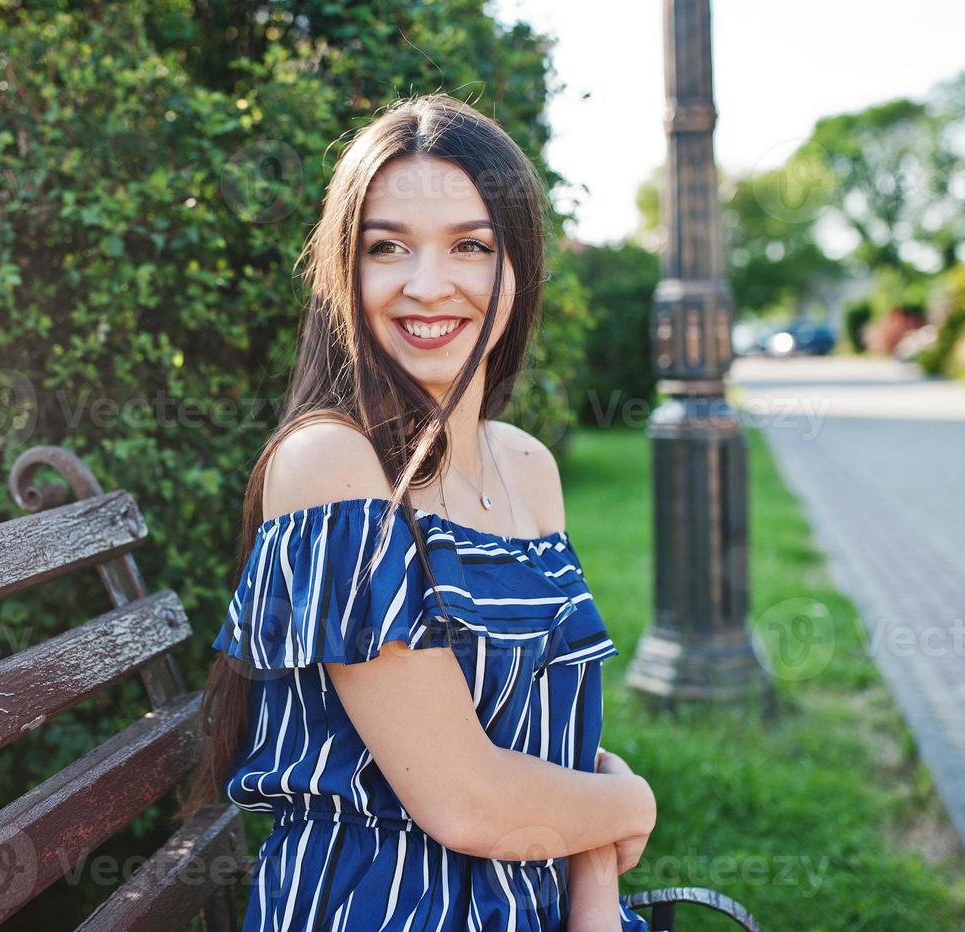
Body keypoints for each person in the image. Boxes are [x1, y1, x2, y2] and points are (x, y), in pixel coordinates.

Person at [182, 93, 655, 931]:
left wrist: (593, 888)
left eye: (469, 245)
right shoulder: (329, 465)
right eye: (386, 247)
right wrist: (628, 804)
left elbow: (551, 756)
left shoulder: (527, 468)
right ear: (343, 268)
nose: (426, 285)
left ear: (518, 268)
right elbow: (469, 802)